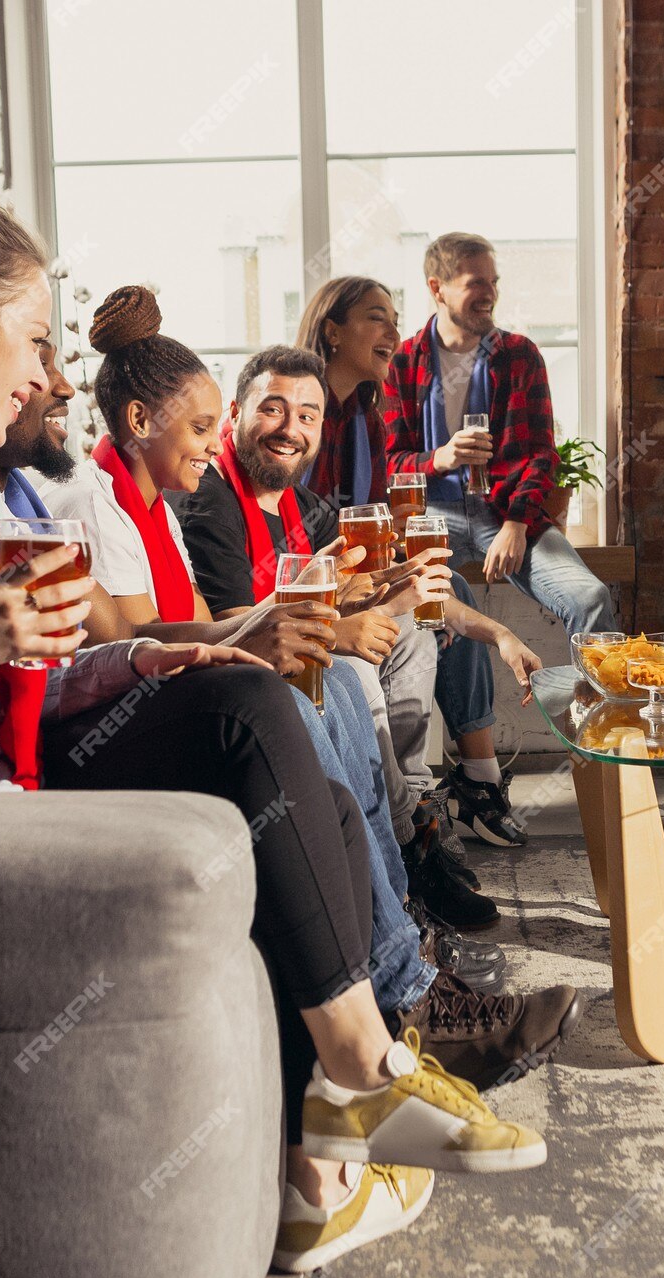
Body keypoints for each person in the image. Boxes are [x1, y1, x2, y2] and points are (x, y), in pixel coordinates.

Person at [0, 183, 545, 1276]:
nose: (50, 374)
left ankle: (348, 1096)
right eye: (32, 339)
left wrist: (143, 659)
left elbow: (29, 671)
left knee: (245, 702)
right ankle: (364, 1080)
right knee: (262, 710)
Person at [37, 291, 582, 1089]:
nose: (210, 446)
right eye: (203, 428)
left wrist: (338, 593)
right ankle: (410, 985)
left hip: (163, 697)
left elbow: (199, 622)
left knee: (346, 689)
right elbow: (133, 639)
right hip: (111, 724)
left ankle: (402, 952)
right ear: (141, 420)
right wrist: (294, 623)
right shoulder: (101, 502)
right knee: (314, 690)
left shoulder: (162, 502)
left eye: (308, 414)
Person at [172, 340, 523, 923]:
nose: (290, 429)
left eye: (307, 416)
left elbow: (381, 584)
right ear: (235, 416)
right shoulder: (211, 501)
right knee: (358, 669)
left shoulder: (300, 506)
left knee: (408, 630)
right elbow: (239, 630)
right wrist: (341, 630)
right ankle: (410, 837)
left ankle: (416, 808)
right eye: (272, 408)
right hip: (242, 682)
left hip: (297, 657)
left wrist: (499, 636)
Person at [298, 274, 542, 850]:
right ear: (333, 332)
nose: (394, 330)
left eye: (394, 317)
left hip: (351, 569)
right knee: (433, 605)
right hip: (307, 582)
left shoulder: (364, 416)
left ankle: (467, 783)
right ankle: (445, 794)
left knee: (444, 584)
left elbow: (378, 527)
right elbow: (299, 541)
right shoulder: (305, 418)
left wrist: (421, 582)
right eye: (376, 317)